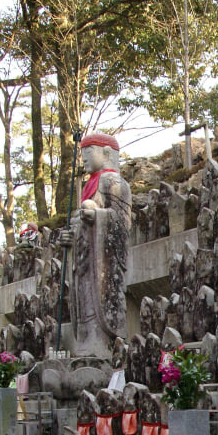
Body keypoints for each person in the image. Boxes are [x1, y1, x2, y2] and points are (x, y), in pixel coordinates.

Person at [71, 133, 130, 359]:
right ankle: (87, 342)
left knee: (100, 299)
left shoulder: (114, 182)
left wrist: (97, 216)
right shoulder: (89, 186)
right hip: (86, 259)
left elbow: (122, 221)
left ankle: (105, 344)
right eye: (82, 154)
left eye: (88, 152)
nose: (84, 158)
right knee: (85, 299)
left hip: (104, 260)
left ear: (106, 153)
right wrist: (70, 237)